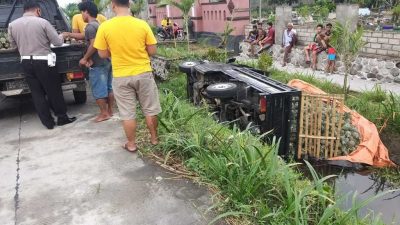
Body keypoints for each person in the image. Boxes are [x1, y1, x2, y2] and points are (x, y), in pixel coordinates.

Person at [94, 0, 161, 152]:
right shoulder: (142, 24)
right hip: (143, 73)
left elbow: (102, 54)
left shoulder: (105, 27)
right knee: (150, 109)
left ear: (113, 5)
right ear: (129, 4)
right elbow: (152, 51)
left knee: (127, 112)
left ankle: (131, 144)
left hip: (121, 75)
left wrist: (116, 51)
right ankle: (154, 139)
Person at [8, 0, 76, 129]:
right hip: (44, 61)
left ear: (24, 11)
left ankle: (48, 123)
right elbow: (56, 42)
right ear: (38, 10)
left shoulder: (12, 25)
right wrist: (61, 36)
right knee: (53, 90)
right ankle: (61, 117)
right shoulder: (43, 22)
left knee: (37, 93)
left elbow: (13, 46)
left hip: (26, 62)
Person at [67, 1, 114, 122]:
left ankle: (103, 114)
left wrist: (85, 58)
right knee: (108, 87)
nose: (81, 15)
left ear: (86, 12)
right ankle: (110, 111)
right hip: (107, 60)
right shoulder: (98, 25)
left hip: (97, 63)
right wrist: (68, 34)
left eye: (82, 12)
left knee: (98, 89)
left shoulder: (90, 27)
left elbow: (93, 44)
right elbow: (86, 37)